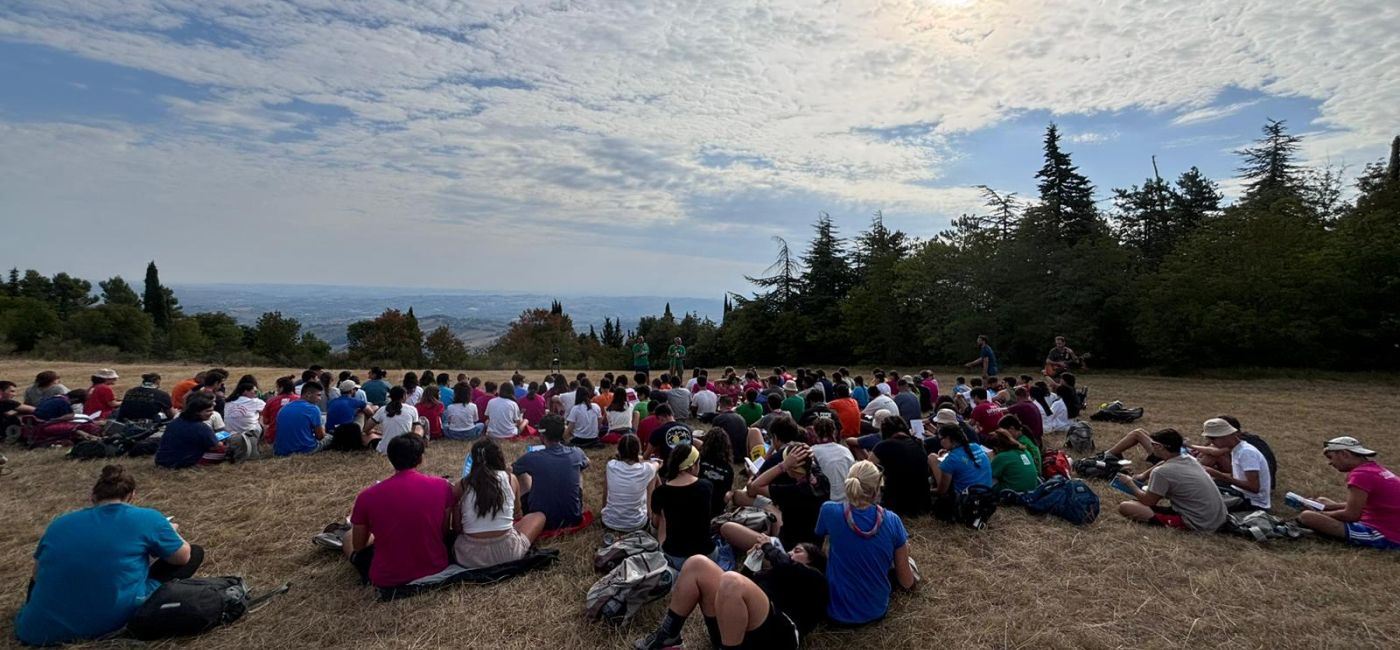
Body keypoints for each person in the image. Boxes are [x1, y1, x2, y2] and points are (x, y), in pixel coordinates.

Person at [16, 465, 201, 646]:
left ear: (93, 497)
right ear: (132, 495)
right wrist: (171, 532)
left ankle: (44, 609)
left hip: (36, 632)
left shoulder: (60, 523)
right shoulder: (148, 518)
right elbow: (182, 557)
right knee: (195, 553)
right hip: (110, 622)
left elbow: (37, 575)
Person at [633, 533, 828, 650]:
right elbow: (736, 590)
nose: (791, 553)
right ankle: (668, 635)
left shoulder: (816, 580)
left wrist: (768, 546)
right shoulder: (776, 572)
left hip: (777, 638)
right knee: (697, 563)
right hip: (737, 634)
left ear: (812, 562)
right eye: (792, 550)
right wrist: (752, 562)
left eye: (798, 551)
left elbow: (787, 567)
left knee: (731, 580)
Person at [814, 460, 917, 625]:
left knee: (831, 541)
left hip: (835, 612)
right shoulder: (892, 520)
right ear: (876, 490)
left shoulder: (829, 510)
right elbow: (906, 582)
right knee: (904, 552)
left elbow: (821, 538)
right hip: (876, 610)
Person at [345, 435, 456, 588]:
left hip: (388, 576)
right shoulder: (443, 486)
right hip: (435, 566)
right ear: (420, 459)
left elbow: (359, 546)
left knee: (348, 536)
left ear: (390, 458)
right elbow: (443, 532)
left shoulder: (366, 497)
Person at [453, 439, 547, 569]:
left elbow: (457, 528)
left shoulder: (462, 485)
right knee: (539, 516)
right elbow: (517, 515)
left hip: (468, 557)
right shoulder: (510, 479)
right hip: (508, 553)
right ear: (499, 457)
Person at [1113, 428, 1228, 532]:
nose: (1151, 447)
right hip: (1217, 517)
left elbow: (1148, 501)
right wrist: (1143, 476)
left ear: (1159, 447)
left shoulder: (1162, 472)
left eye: (1153, 444)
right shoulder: (1189, 459)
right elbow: (1163, 463)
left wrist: (1129, 483)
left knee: (1126, 507)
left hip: (1199, 522)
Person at [1297, 437, 1400, 550]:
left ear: (1344, 454)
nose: (1330, 463)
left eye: (1330, 457)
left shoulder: (1361, 475)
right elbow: (1367, 504)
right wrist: (1327, 507)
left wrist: (1322, 514)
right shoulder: (1374, 469)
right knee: (1322, 500)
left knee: (1307, 516)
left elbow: (1351, 515)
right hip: (1391, 524)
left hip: (1387, 534)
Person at [512, 417, 589, 530]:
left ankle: (519, 510)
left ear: (542, 436)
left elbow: (511, 470)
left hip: (538, 520)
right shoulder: (576, 453)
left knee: (521, 474)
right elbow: (587, 462)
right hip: (573, 518)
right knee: (579, 471)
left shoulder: (532, 458)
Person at [651, 443, 718, 569]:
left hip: (675, 557)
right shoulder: (706, 486)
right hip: (707, 556)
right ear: (692, 466)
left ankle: (661, 549)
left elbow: (655, 523)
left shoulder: (660, 492)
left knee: (661, 516)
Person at [1200, 417, 1271, 511]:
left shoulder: (1246, 452)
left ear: (1225, 435)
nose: (1211, 442)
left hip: (1252, 502)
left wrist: (1217, 474)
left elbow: (1254, 487)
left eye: (1213, 438)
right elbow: (1238, 477)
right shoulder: (1237, 449)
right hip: (1240, 493)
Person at [870, 416, 931, 518]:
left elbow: (866, 470)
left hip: (897, 505)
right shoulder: (918, 443)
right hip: (922, 503)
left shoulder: (883, 445)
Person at [930, 425, 993, 519]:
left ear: (948, 438)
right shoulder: (976, 447)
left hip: (966, 504)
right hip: (986, 499)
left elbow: (942, 491)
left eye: (941, 439)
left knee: (932, 458)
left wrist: (928, 491)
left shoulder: (951, 460)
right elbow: (966, 461)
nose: (940, 442)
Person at [602, 434, 657, 533]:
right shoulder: (647, 469)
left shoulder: (611, 466)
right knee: (653, 475)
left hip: (609, 522)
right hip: (637, 524)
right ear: (638, 450)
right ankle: (650, 512)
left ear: (619, 450)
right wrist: (642, 458)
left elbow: (605, 491)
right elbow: (658, 464)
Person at [155, 394, 227, 468]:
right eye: (208, 411)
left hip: (162, 460)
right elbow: (215, 447)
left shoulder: (175, 422)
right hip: (180, 462)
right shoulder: (202, 427)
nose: (211, 413)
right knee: (222, 450)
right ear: (197, 412)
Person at [272, 382, 328, 456]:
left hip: (280, 452)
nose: (320, 398)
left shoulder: (284, 407)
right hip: (304, 450)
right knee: (329, 438)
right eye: (318, 395)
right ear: (308, 394)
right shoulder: (313, 409)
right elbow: (320, 436)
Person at [810, 419, 855, 502]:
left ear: (815, 433)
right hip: (848, 498)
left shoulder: (812, 451)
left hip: (826, 498)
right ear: (834, 432)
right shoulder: (845, 450)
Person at [367, 386, 420, 453]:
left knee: (366, 436)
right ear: (404, 396)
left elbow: (366, 429)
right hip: (405, 448)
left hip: (385, 449)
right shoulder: (412, 409)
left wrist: (374, 431)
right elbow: (414, 430)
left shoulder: (383, 409)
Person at [711, 396, 758, 464]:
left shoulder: (718, 419)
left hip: (728, 456)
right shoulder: (741, 418)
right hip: (742, 456)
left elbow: (714, 439)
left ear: (720, 405)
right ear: (732, 405)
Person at [259, 376, 299, 445]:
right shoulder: (301, 400)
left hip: (274, 438)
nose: (276, 389)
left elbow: (265, 421)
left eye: (277, 387)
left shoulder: (271, 401)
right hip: (297, 437)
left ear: (281, 388)